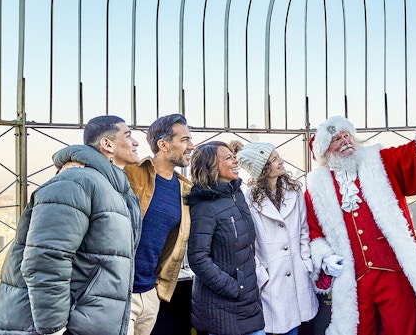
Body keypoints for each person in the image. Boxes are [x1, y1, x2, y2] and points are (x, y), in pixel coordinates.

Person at [304, 95, 416, 335]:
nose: (345, 141)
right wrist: (324, 258)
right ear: (325, 151)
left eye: (347, 135)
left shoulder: (381, 162)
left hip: (394, 273)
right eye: (336, 139)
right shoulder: (317, 187)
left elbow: (414, 157)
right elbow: (314, 232)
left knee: (403, 329)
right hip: (354, 281)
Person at [0, 115, 142, 335]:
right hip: (58, 326)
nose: (136, 142)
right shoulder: (75, 181)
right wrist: (54, 329)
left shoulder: (113, 188)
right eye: (128, 135)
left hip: (86, 321)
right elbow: (45, 259)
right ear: (107, 144)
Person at [233, 141, 318, 335]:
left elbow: (304, 229)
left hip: (298, 273)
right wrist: (262, 276)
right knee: (278, 328)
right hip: (272, 279)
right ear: (263, 169)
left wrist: (306, 263)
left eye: (278, 156)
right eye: (274, 159)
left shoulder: (294, 192)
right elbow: (248, 244)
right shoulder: (248, 200)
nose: (281, 161)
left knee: (296, 328)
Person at [123, 113, 194, 335]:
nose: (191, 146)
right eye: (184, 140)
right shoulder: (130, 174)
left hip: (150, 292)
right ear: (163, 145)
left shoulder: (185, 190)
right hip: (119, 292)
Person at [186, 141, 265, 335]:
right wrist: (234, 286)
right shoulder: (204, 205)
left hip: (248, 303)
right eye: (228, 158)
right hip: (221, 309)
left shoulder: (236, 195)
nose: (235, 160)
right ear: (211, 166)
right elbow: (197, 258)